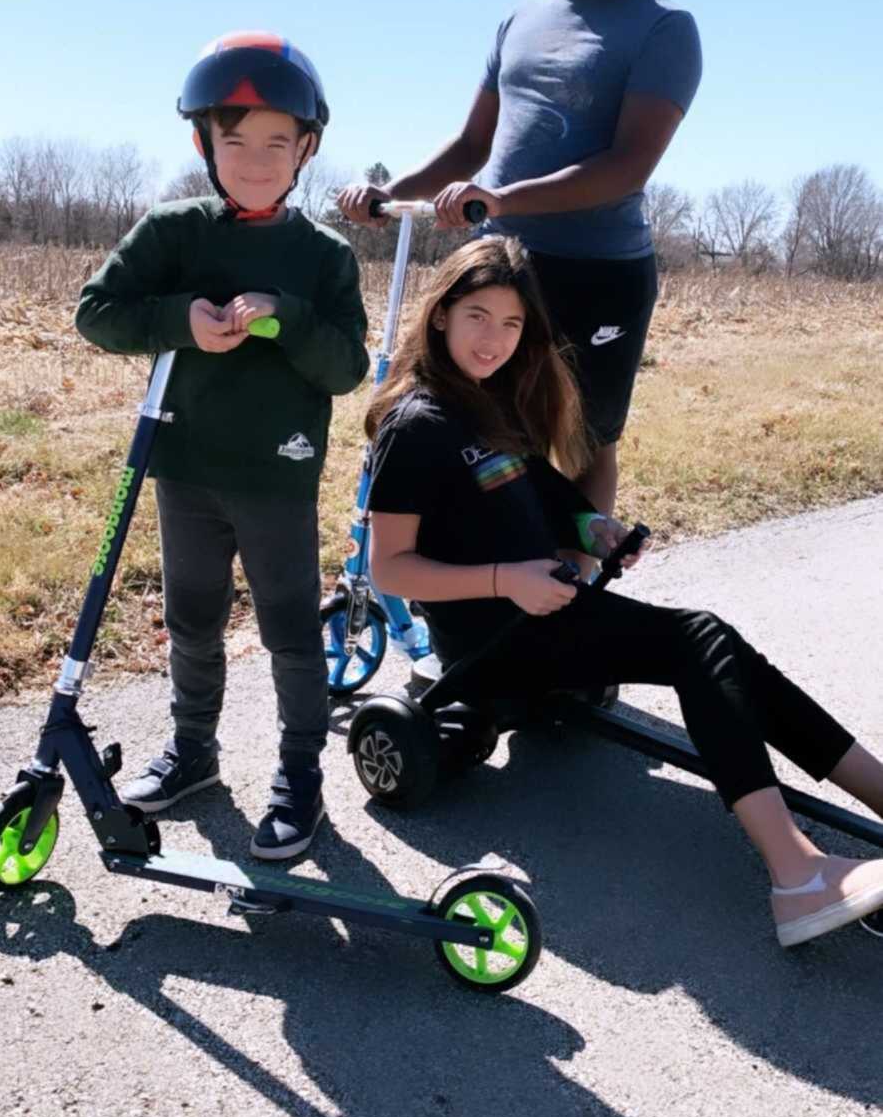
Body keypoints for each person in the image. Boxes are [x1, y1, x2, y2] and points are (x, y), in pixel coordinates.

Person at [365, 236, 883, 947]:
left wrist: (595, 527)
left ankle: (872, 794)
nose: (495, 339)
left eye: (513, 325)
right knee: (696, 641)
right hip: (492, 640)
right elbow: (387, 569)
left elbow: (546, 497)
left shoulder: (487, 404)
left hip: (543, 610)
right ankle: (796, 874)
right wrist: (504, 579)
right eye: (479, 316)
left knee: (711, 644)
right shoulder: (417, 425)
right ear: (442, 314)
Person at [340, 0, 702, 523]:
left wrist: (501, 198)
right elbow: (475, 143)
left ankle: (581, 585)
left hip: (599, 271)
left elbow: (627, 167)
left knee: (583, 442)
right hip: (504, 265)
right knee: (473, 423)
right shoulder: (521, 18)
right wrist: (394, 193)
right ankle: (487, 573)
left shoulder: (665, 28)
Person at [76, 32, 369, 859]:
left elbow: (346, 367)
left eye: (278, 141)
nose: (255, 159)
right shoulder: (173, 233)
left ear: (307, 148)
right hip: (183, 468)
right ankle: (194, 753)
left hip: (276, 476)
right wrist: (181, 323)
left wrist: (286, 318)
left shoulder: (323, 256)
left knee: (288, 630)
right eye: (234, 140)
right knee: (192, 619)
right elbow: (96, 312)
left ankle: (300, 773)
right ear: (203, 143)